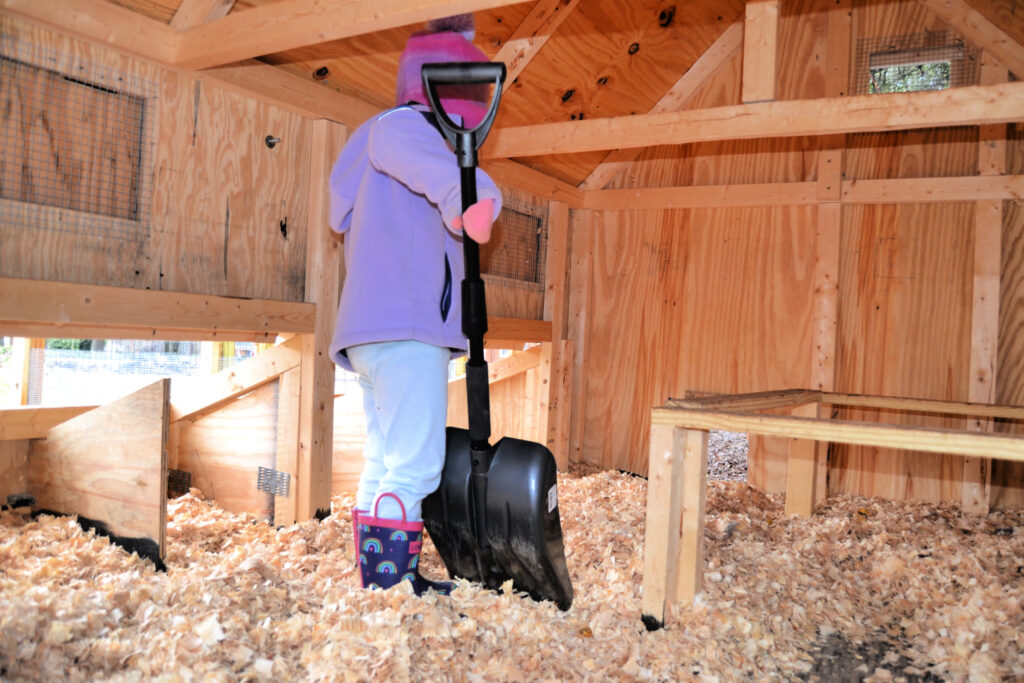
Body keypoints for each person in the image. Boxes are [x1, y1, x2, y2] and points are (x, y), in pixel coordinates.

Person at [327, 15, 502, 596]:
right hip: (407, 328)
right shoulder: (403, 128)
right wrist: (462, 198)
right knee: (418, 463)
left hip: (372, 330)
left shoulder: (370, 138)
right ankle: (391, 586)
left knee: (384, 455)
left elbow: (338, 211)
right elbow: (441, 172)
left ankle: (378, 584)